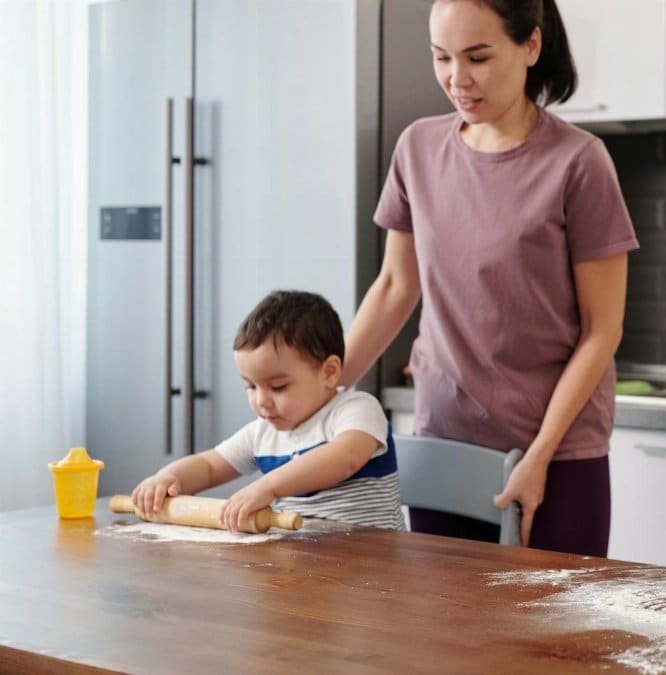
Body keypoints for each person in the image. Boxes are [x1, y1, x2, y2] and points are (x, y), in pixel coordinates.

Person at [340, 0, 636, 556]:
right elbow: (394, 288)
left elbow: (603, 330)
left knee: (556, 636)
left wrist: (540, 455)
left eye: (477, 57)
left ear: (530, 46)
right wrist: (319, 399)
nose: (457, 79)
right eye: (442, 58)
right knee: (444, 634)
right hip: (443, 441)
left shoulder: (579, 162)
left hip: (557, 452)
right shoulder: (417, 149)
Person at [131, 290, 403, 532]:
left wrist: (268, 487)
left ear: (329, 373)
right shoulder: (263, 433)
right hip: (302, 569)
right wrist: (167, 478)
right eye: (250, 386)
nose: (261, 401)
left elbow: (346, 457)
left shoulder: (357, 409)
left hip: (373, 568)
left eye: (278, 387)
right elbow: (210, 465)